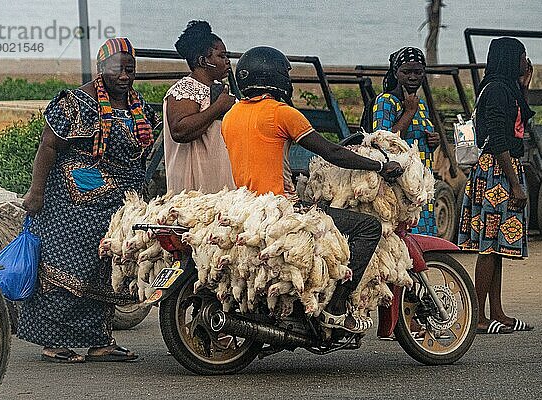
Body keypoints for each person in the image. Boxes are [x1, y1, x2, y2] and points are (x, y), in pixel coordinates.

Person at [222, 46, 403, 333]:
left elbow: (263, 157)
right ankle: (338, 307)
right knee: (368, 227)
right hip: (282, 208)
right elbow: (332, 152)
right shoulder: (282, 113)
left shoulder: (231, 116)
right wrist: (379, 166)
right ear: (276, 78)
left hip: (250, 207)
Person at [18, 38, 160, 362]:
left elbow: (139, 155)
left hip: (118, 202)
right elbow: (48, 146)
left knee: (107, 269)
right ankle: (53, 343)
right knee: (67, 268)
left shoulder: (139, 107)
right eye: (116, 68)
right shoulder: (77, 102)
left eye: (130, 69)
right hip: (71, 201)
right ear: (100, 69)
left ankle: (101, 341)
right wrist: (36, 191)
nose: (124, 76)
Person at [458, 37, 535, 334]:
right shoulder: (498, 91)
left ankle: (497, 312)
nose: (525, 61)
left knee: (497, 248)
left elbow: (520, 122)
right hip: (497, 172)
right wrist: (515, 185)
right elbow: (498, 139)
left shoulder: (505, 87)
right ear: (509, 57)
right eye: (522, 56)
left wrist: (524, 85)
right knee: (488, 248)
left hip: (501, 170)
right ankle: (478, 317)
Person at [371, 47, 440, 236]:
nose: (412, 77)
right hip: (399, 186)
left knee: (423, 239)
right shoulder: (386, 101)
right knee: (403, 240)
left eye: (418, 72)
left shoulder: (421, 104)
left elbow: (418, 140)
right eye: (406, 72)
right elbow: (382, 142)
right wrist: (409, 112)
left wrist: (433, 141)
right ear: (396, 72)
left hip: (421, 185)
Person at [164, 20, 236, 194]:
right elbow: (180, 131)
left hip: (219, 179)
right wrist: (218, 108)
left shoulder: (220, 89)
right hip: (194, 184)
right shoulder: (185, 89)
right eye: (221, 56)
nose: (227, 61)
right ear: (203, 61)